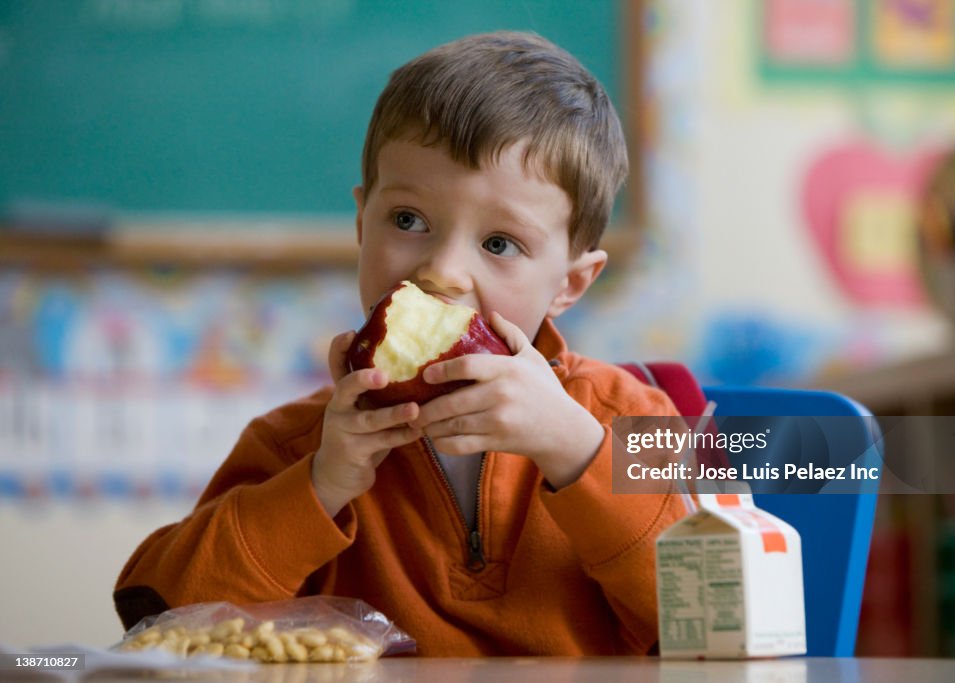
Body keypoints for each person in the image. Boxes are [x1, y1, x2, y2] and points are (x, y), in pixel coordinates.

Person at [114, 31, 694, 656]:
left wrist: (577, 453)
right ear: (363, 226)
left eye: (499, 244)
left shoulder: (628, 420)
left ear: (571, 283)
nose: (441, 270)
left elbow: (726, 621)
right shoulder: (296, 444)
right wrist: (319, 485)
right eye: (408, 221)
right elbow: (162, 621)